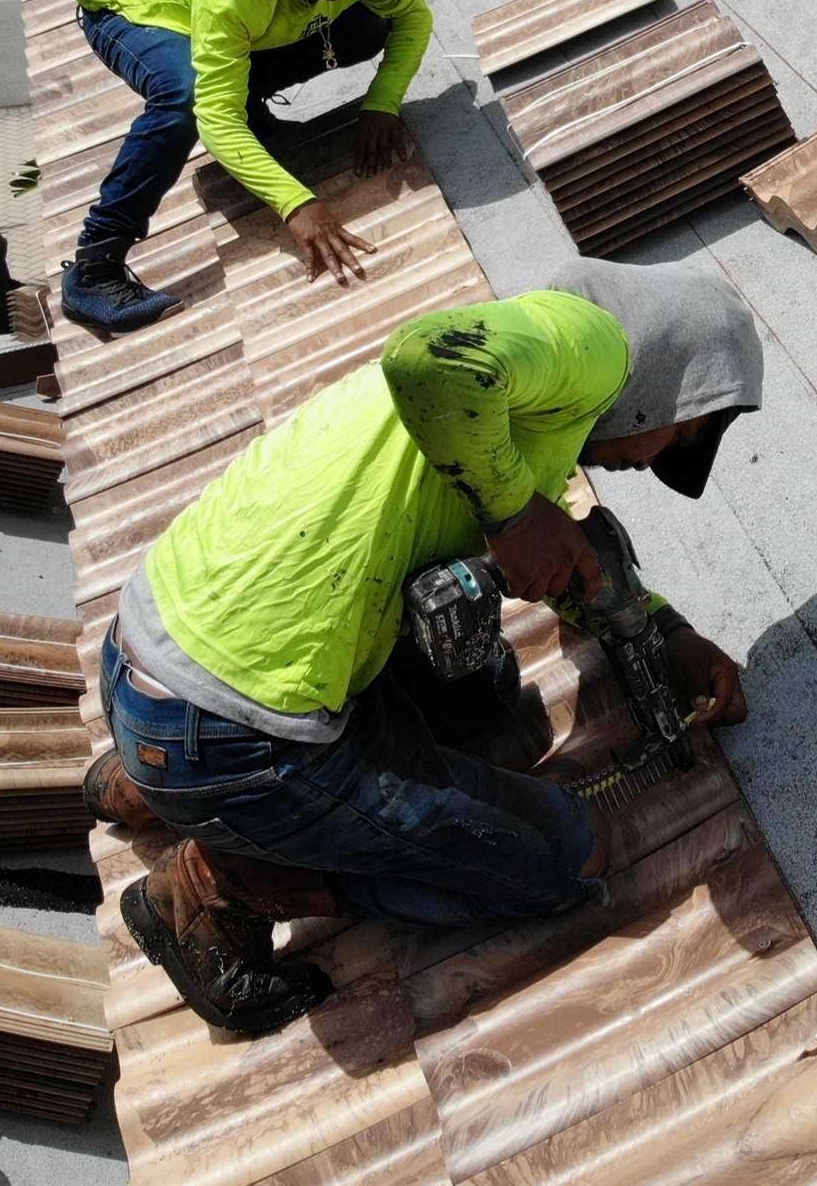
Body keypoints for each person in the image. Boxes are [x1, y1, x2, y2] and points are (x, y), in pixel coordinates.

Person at [92, 258, 762, 1035]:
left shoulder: (513, 396)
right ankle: (224, 876)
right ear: (665, 382)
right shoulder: (598, 345)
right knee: (566, 858)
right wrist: (515, 517)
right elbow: (423, 357)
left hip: (149, 652)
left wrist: (666, 633)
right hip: (228, 733)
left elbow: (561, 555)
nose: (647, 462)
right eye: (679, 433)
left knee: (482, 690)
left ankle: (144, 783)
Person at [61, 0, 434, 334]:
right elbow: (215, 117)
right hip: (132, 5)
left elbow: (413, 16)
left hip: (223, 6)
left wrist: (382, 101)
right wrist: (296, 204)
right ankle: (94, 268)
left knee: (367, 24)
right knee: (185, 100)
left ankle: (253, 115)